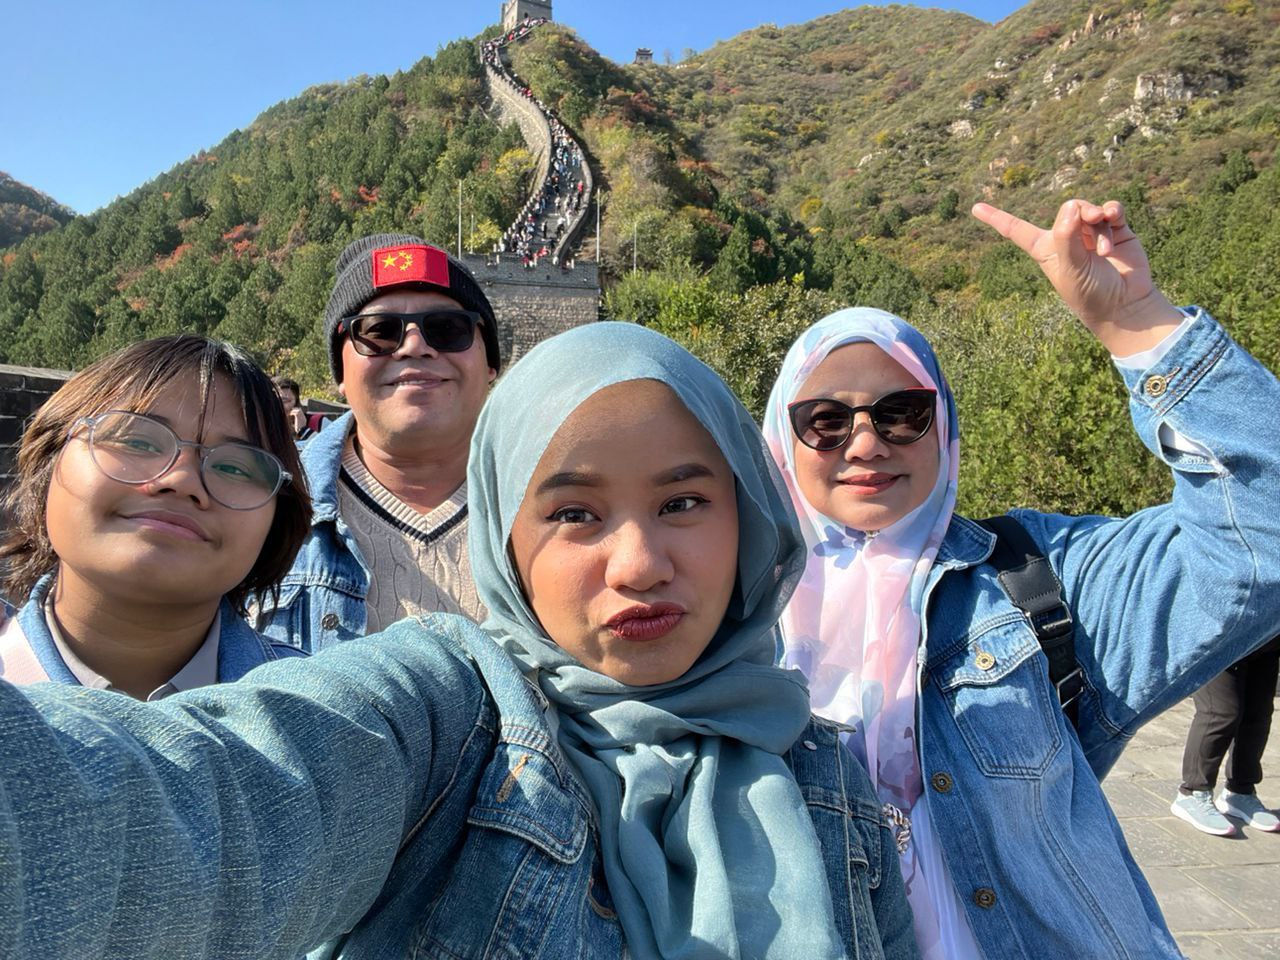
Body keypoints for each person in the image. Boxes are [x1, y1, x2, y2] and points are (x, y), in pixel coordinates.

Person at [0, 322, 917, 960]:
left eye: (683, 502)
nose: (640, 564)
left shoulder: (821, 776)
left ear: (747, 518)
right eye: (574, 513)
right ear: (505, 546)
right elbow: (205, 804)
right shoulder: (448, 720)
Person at [761, 198, 1280, 959]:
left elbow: (1263, 535)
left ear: (944, 425)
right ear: (783, 437)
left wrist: (1137, 323)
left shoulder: (1036, 574)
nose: (865, 443)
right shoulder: (731, 611)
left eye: (902, 413)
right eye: (825, 420)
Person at [0, 335, 311, 699]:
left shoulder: (325, 714)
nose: (181, 481)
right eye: (137, 441)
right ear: (50, 462)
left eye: (235, 468)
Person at [255, 234, 501, 653]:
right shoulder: (262, 503)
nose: (415, 346)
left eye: (447, 329)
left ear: (490, 363)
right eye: (379, 331)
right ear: (341, 371)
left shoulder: (557, 499)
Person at [1172, 636, 1280, 835]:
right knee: (1221, 713)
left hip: (1266, 639)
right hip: (1222, 639)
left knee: (1258, 715)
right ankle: (1192, 793)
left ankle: (1240, 791)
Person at [272, 375, 313, 439]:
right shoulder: (265, 427)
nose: (285, 407)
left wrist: (303, 430)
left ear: (296, 402)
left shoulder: (319, 421)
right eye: (278, 401)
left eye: (287, 401)